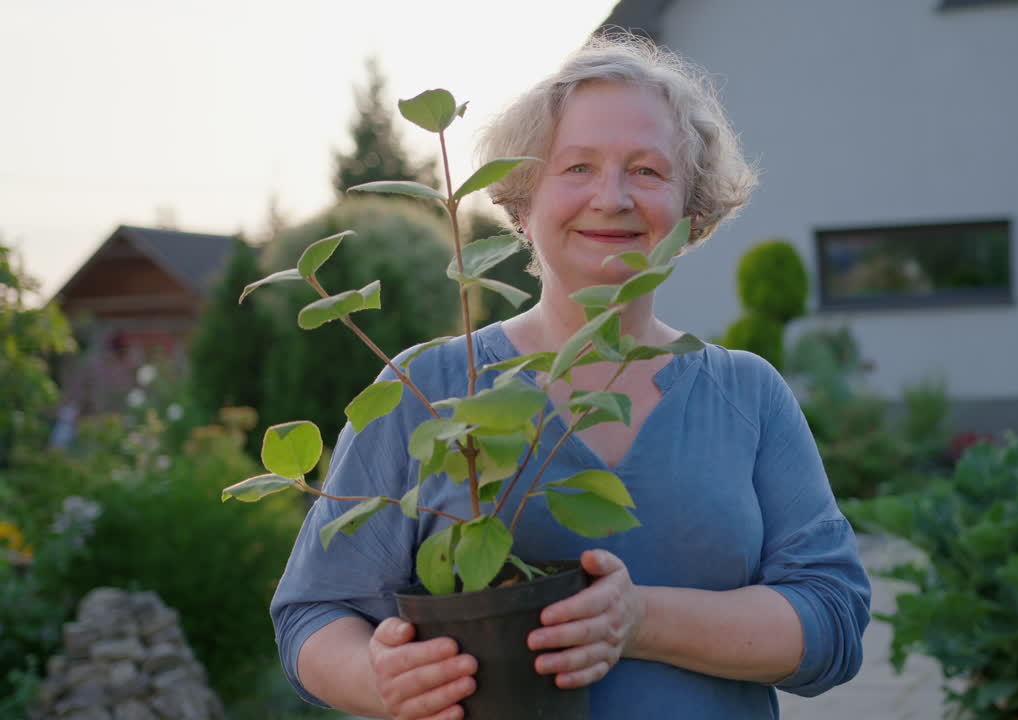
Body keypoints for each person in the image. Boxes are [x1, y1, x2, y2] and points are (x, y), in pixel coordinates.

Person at [270, 33, 871, 720]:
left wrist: (640, 619)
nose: (611, 198)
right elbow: (315, 613)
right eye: (577, 167)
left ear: (693, 214)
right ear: (522, 205)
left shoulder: (746, 395)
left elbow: (833, 617)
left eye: (647, 172)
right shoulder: (425, 387)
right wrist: (383, 679)